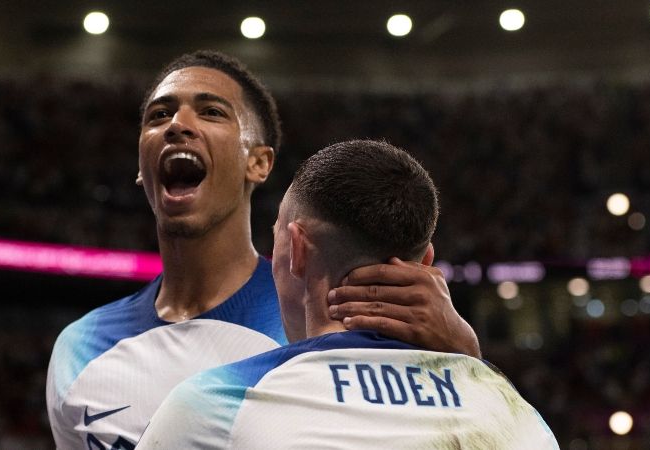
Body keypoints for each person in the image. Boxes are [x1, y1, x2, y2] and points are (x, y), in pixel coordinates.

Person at [46, 51, 480, 449]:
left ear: (260, 162)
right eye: (159, 115)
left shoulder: (329, 308)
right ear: (141, 167)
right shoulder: (79, 349)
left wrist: (465, 355)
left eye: (211, 111)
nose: (177, 124)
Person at [137, 140, 558, 450]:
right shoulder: (515, 418)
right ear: (425, 262)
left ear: (297, 249)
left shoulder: (215, 405)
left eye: (276, 243)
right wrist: (472, 364)